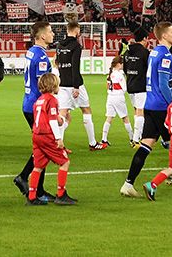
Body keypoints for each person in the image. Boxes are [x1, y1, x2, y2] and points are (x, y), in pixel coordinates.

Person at [120, 22, 172, 198]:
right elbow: (163, 85)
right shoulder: (165, 55)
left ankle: (128, 184)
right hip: (161, 107)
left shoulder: (153, 53)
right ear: (164, 36)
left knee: (146, 145)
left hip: (150, 105)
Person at [13, 20, 57, 201]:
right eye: (50, 31)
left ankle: (37, 188)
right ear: (41, 36)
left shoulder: (32, 52)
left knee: (42, 147)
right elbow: (43, 85)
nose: (53, 34)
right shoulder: (40, 57)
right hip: (36, 106)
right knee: (44, 146)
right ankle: (25, 178)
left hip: (29, 103)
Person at [26, 73, 76, 206]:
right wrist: (58, 138)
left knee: (38, 166)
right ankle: (61, 194)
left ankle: (31, 197)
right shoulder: (52, 100)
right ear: (53, 85)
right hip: (46, 136)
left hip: (36, 135)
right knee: (64, 162)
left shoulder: (39, 100)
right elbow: (52, 120)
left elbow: (46, 117)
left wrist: (60, 119)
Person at [56, 21, 101, 151]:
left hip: (62, 83)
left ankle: (60, 145)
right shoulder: (76, 45)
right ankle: (92, 143)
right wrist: (76, 86)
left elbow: (58, 63)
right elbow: (75, 66)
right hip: (75, 84)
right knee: (86, 110)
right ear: (76, 30)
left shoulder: (59, 45)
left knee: (63, 113)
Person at [122, 28, 151, 150]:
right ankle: (135, 139)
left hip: (130, 85)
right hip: (141, 86)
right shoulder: (145, 53)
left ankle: (137, 136)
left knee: (136, 111)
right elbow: (149, 70)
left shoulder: (128, 52)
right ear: (144, 39)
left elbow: (125, 69)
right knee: (140, 112)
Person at [100, 56, 134, 148]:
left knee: (109, 118)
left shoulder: (109, 74)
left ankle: (104, 139)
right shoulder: (119, 75)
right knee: (125, 118)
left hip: (110, 97)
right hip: (118, 97)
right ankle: (132, 139)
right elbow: (125, 88)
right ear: (119, 64)